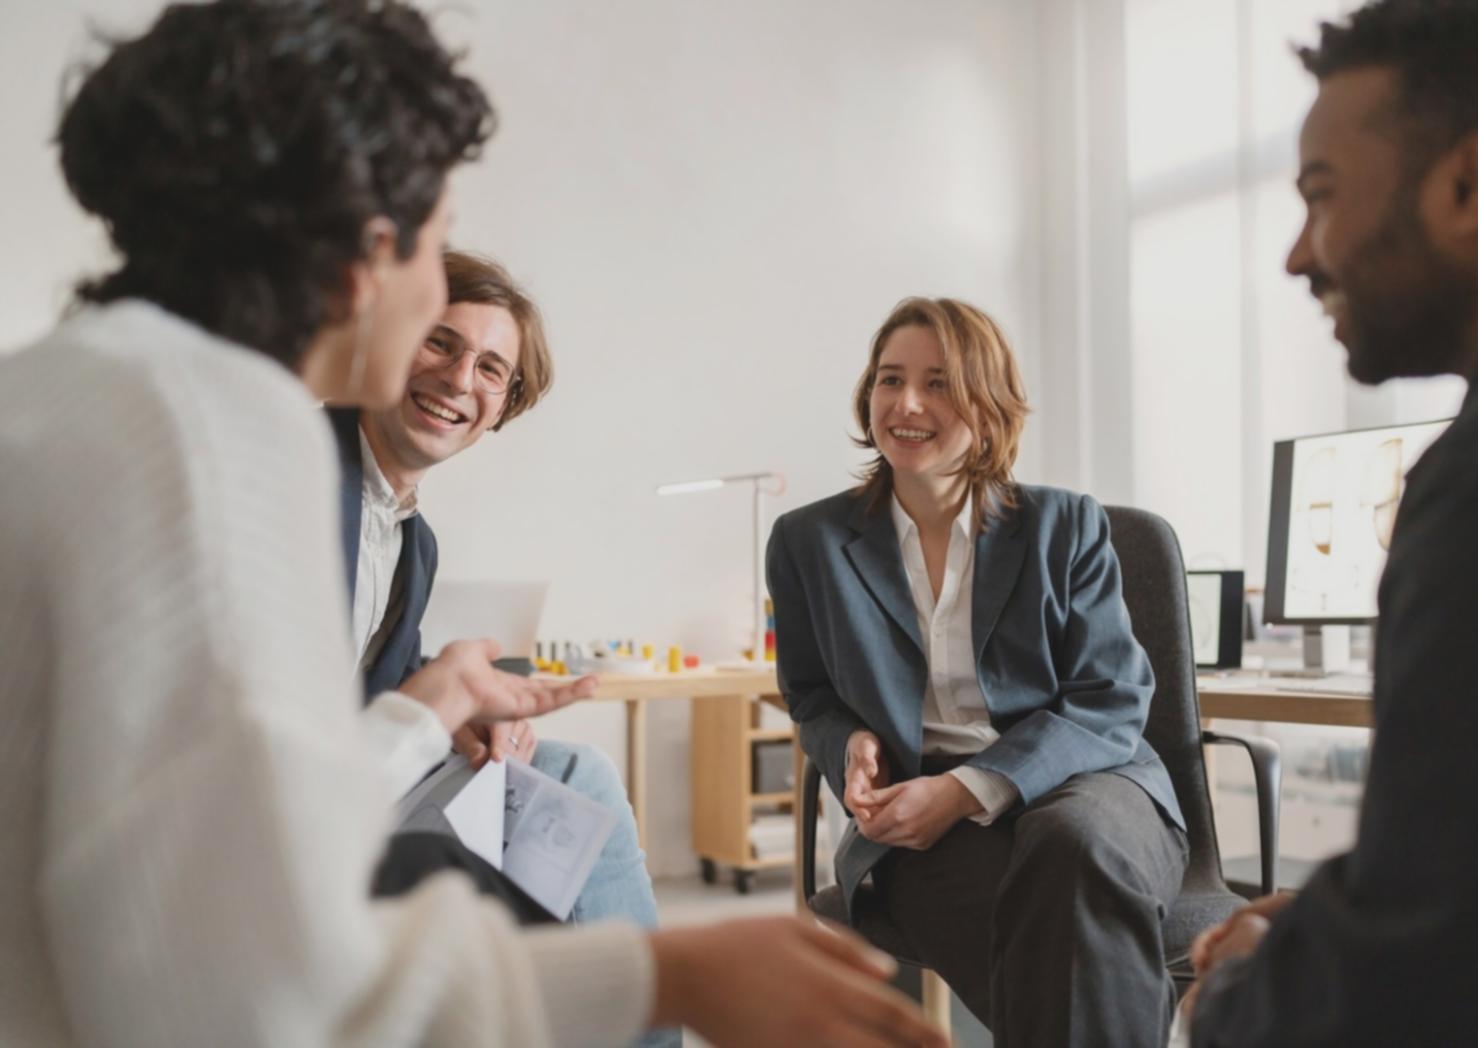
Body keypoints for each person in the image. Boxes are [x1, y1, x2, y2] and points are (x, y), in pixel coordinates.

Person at [0, 3, 947, 1046]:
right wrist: (661, 971)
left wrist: (435, 699)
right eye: (436, 242)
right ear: (364, 244)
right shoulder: (212, 434)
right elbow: (246, 999)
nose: (443, 344)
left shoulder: (78, 391)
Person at [1185, 2, 1478, 1045]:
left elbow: (1428, 981)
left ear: (1469, 183)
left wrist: (1227, 1002)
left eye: (1320, 196)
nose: (1296, 255)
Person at [766, 297, 1190, 1047]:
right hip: (916, 813)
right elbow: (810, 695)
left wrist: (966, 790)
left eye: (938, 383)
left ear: (989, 408)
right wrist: (849, 743)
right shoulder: (809, 542)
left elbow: (1112, 699)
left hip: (1089, 784)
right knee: (1058, 944)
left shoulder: (1065, 524)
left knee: (1071, 848)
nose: (906, 404)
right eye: (889, 379)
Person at [336, 249, 673, 1044]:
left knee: (568, 774)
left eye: (492, 369)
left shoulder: (413, 542)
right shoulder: (305, 467)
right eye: (440, 343)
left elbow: (377, 673)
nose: (460, 380)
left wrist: (464, 717)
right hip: (292, 805)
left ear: (502, 409)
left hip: (359, 778)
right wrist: (439, 698)